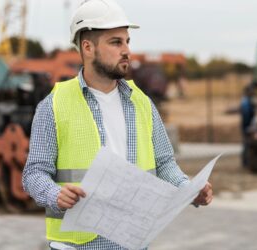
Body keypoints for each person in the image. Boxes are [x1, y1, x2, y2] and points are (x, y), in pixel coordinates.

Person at [22, 0, 213, 249]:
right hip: (77, 244)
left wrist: (189, 190)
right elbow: (34, 173)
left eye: (127, 41)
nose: (126, 50)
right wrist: (55, 195)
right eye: (116, 42)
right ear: (88, 47)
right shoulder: (54, 105)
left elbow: (164, 163)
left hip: (132, 241)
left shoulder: (142, 103)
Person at [240, 85, 255, 168]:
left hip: (246, 126)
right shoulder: (246, 102)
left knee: (246, 144)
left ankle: (245, 161)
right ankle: (245, 162)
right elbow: (246, 115)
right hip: (246, 126)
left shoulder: (245, 101)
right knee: (246, 144)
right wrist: (247, 127)